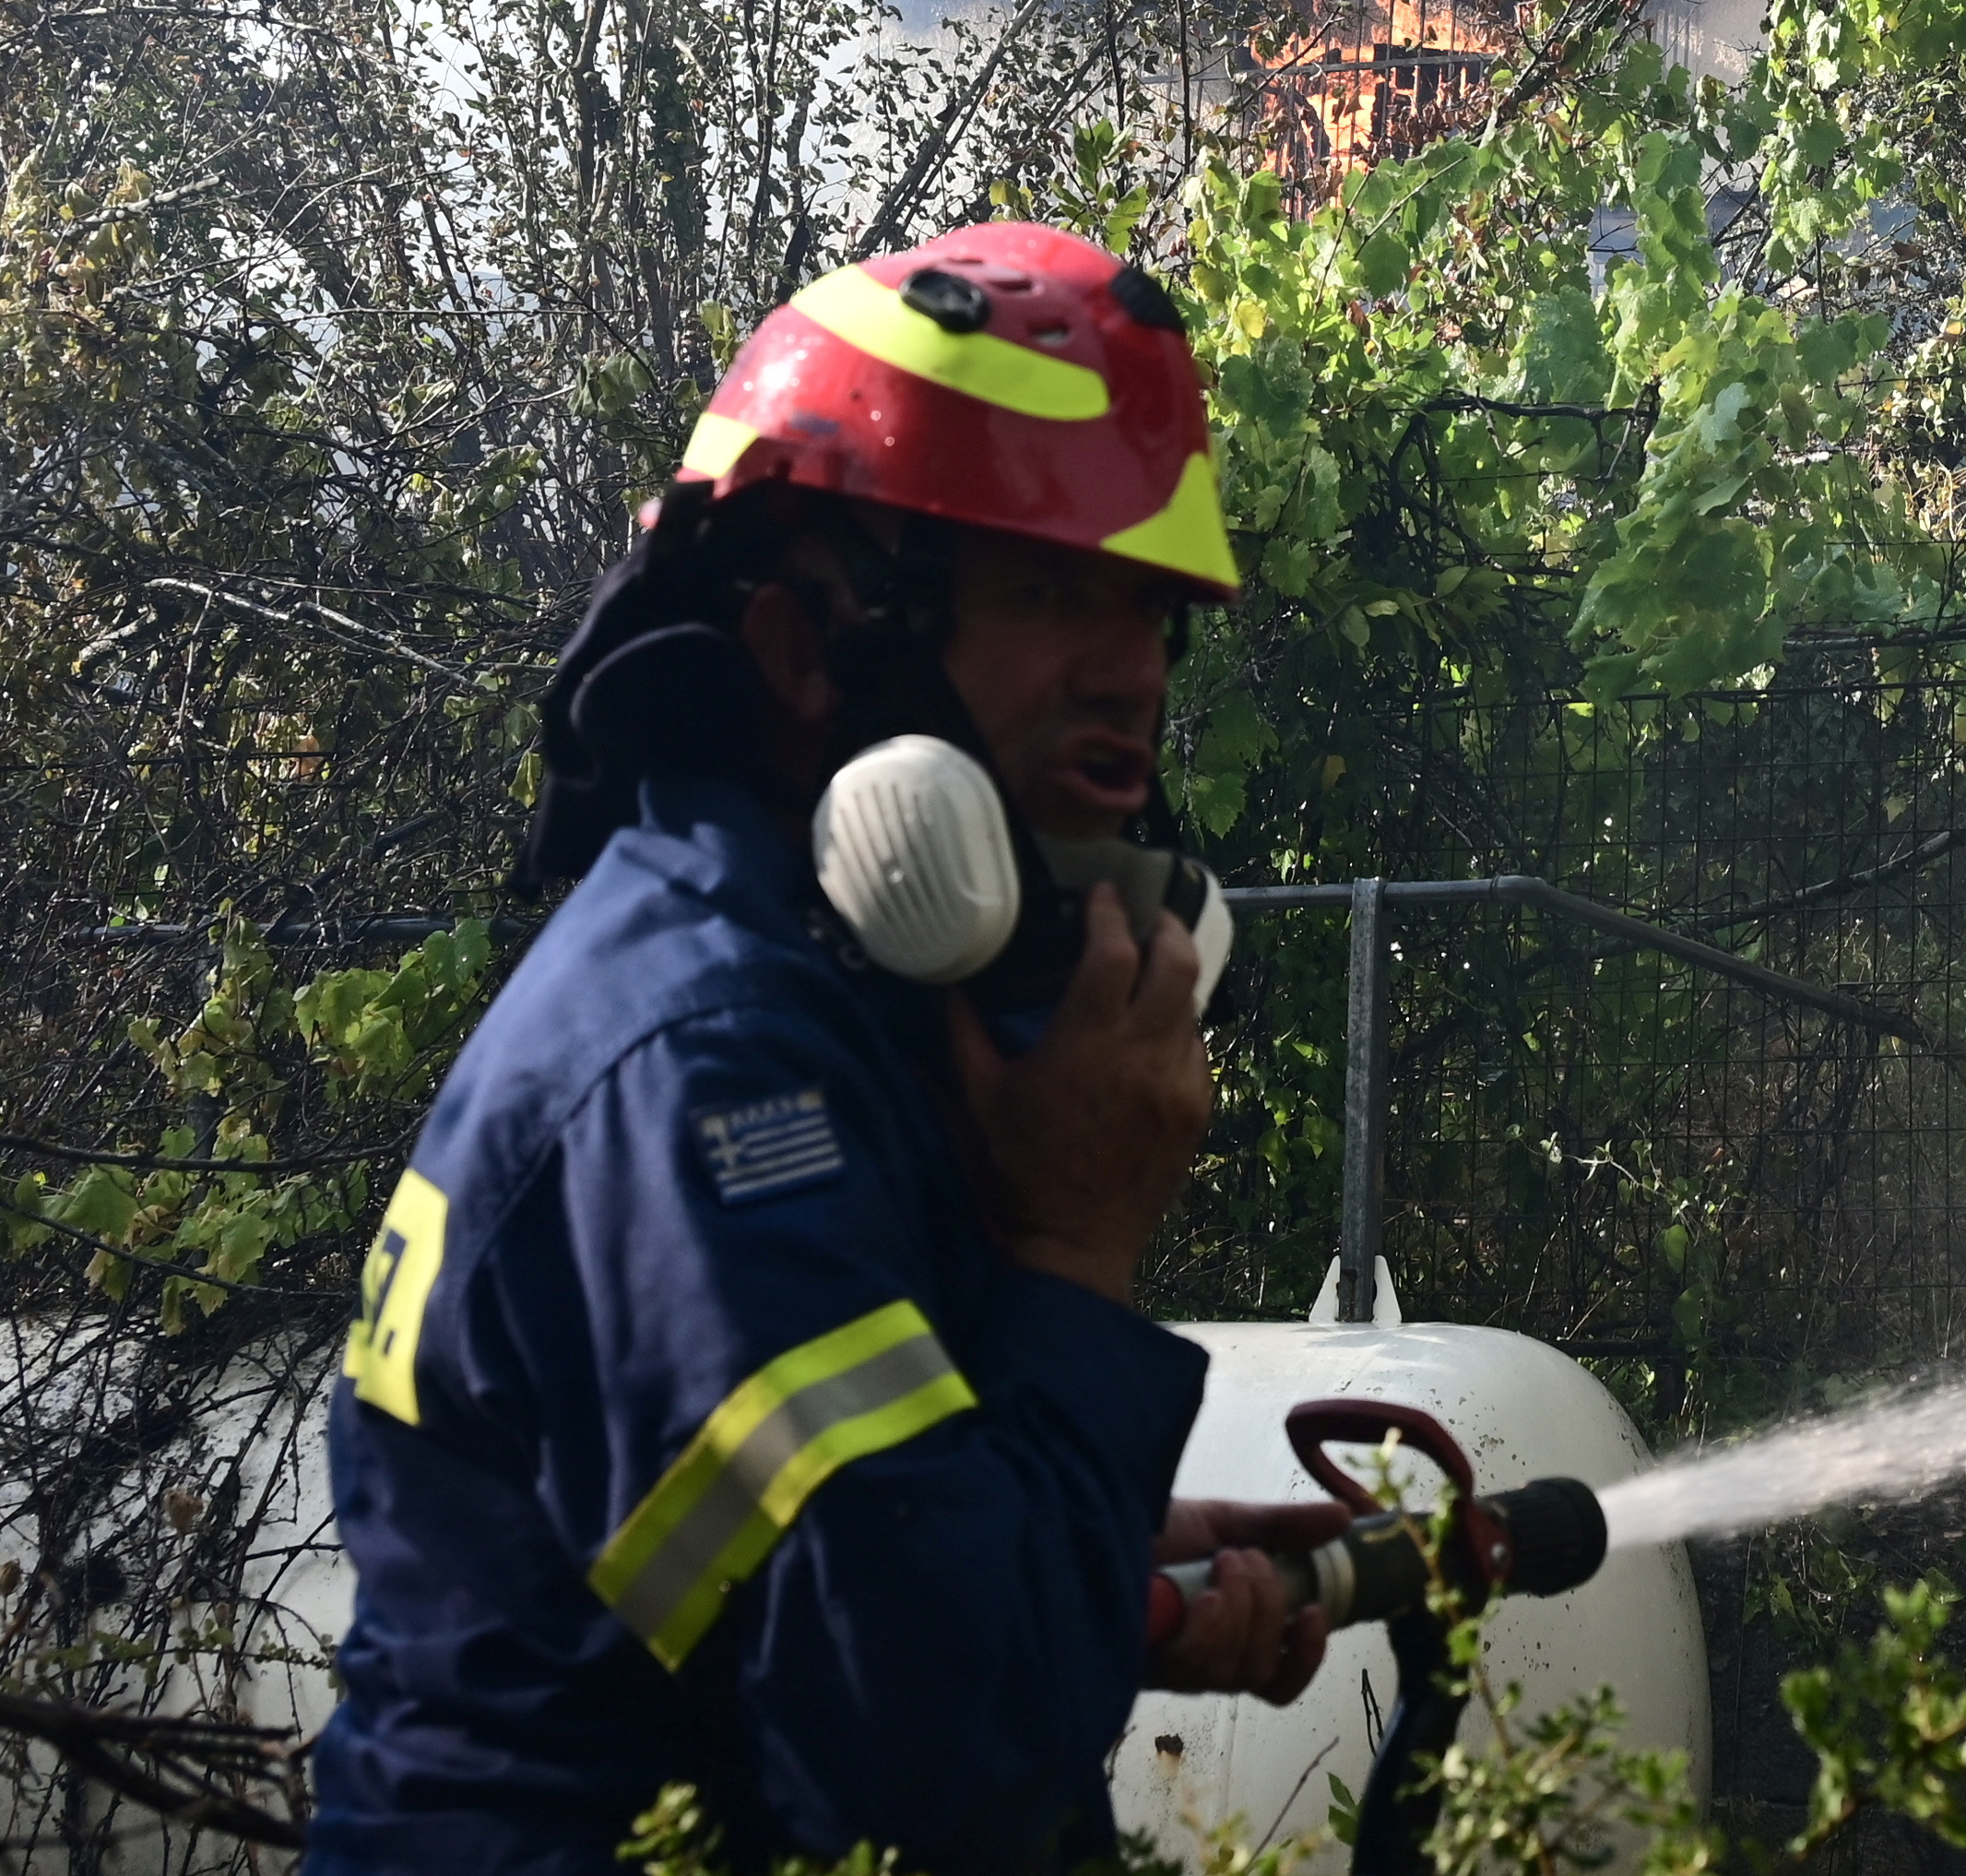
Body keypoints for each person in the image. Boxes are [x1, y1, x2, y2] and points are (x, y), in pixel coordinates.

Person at [310, 227, 1332, 1876]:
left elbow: (822, 1575)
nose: (1131, 674)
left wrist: (1106, 1560)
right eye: (1046, 590)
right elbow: (932, 1760)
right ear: (801, 645)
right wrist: (1075, 1254)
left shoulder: (824, 993)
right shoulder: (709, 1079)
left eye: (1152, 609)